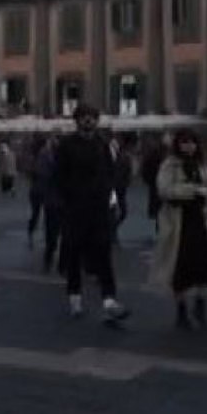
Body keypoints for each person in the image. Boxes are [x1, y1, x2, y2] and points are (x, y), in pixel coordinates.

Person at [54, 105, 131, 324]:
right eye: (84, 118)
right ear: (77, 120)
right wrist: (64, 202)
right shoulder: (66, 145)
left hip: (99, 209)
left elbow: (110, 172)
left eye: (92, 118)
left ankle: (109, 300)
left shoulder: (103, 144)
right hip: (74, 208)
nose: (88, 121)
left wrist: (110, 195)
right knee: (74, 255)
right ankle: (75, 297)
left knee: (104, 255)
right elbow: (59, 176)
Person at [150, 129, 207, 330]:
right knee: (179, 269)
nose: (189, 146)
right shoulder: (169, 165)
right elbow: (165, 190)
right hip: (178, 222)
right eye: (185, 142)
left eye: (192, 143)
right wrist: (193, 190)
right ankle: (181, 311)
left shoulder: (201, 165)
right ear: (178, 145)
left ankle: (200, 307)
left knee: (206, 267)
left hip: (201, 222)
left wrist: (206, 195)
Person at [27, 134, 64, 271]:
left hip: (59, 200)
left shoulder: (58, 158)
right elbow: (40, 175)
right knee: (52, 233)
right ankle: (50, 257)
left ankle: (57, 260)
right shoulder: (45, 157)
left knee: (61, 232)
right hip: (53, 200)